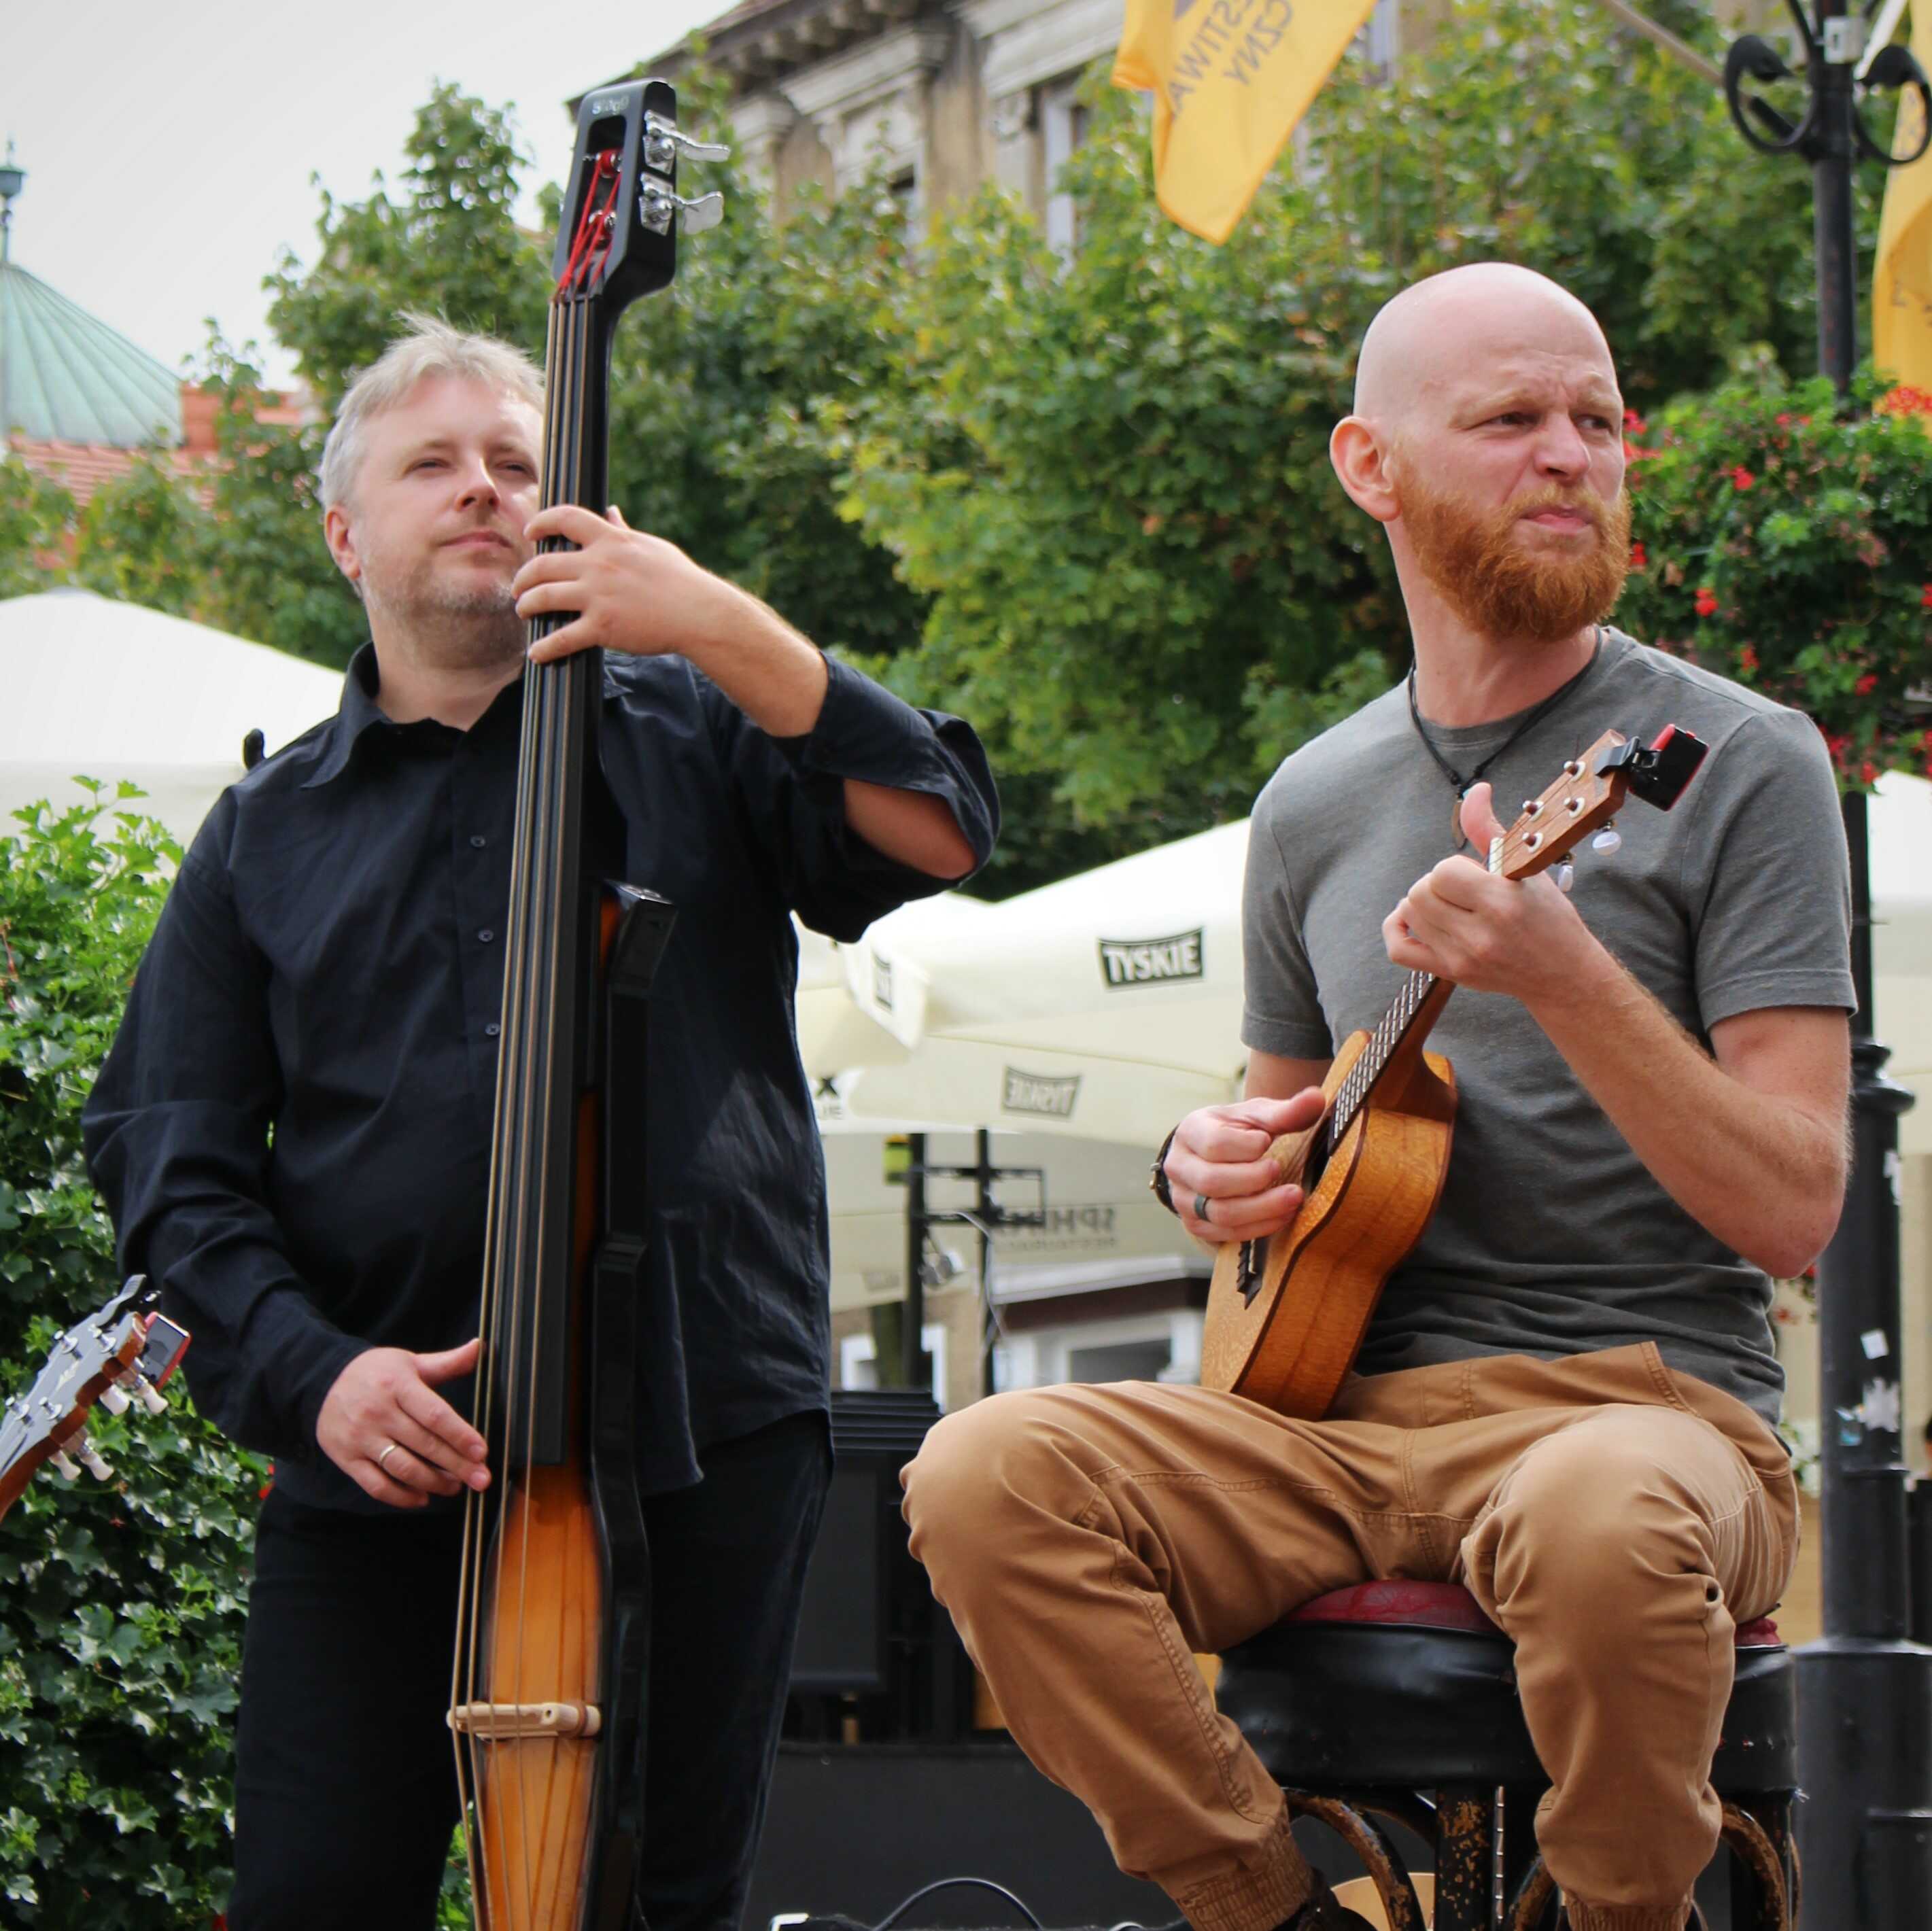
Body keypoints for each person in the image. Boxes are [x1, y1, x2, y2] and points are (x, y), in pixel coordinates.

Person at [901, 264, 1851, 1931]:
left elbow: (1793, 1202)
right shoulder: (1315, 797)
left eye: (1596, 421)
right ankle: (1261, 1904)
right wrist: (1210, 1168)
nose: (1569, 454)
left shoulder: (1735, 756)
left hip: (1645, 1408)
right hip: (1329, 1429)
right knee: (982, 1469)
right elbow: (1287, 1148)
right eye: (1508, 420)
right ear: (1370, 464)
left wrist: (1561, 973)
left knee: (1597, 1509)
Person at [83, 316, 997, 1931]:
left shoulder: (698, 724)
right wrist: (316, 1371)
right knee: (313, 1891)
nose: (484, 491)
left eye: (517, 462)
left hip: (697, 1421)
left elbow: (936, 829)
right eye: (431, 463)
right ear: (342, 530)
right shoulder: (262, 834)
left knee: (654, 1896)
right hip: (377, 1453)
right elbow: (171, 1157)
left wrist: (713, 619)